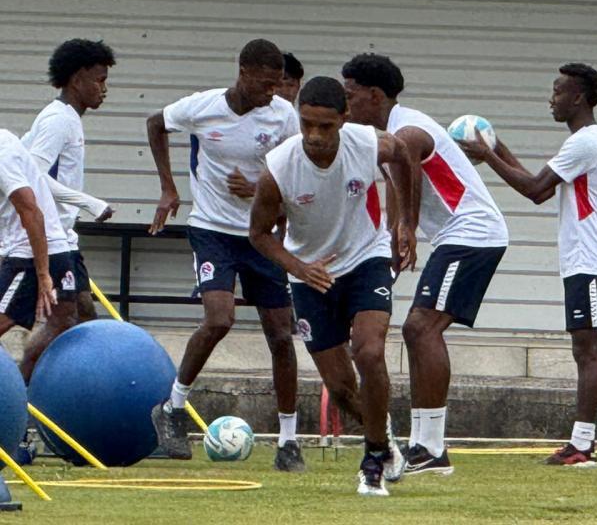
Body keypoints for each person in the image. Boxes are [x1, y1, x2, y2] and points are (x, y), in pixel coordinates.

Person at [342, 53, 508, 475]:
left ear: (374, 95)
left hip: (474, 233)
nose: (346, 104)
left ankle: (432, 449)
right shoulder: (385, 136)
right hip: (457, 237)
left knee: (421, 328)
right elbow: (395, 180)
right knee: (416, 330)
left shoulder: (409, 128)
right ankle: (423, 445)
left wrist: (409, 227)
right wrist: (390, 235)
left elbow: (409, 164)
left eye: (350, 94)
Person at [249, 76, 415, 495]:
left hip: (365, 259)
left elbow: (404, 156)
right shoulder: (279, 167)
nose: (315, 136)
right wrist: (299, 267)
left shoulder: (369, 143)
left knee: (369, 352)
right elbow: (259, 234)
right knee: (341, 389)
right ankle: (382, 434)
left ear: (344, 118)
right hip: (310, 275)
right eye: (307, 124)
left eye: (325, 126)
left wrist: (404, 223)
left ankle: (372, 462)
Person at [147, 39, 303, 470]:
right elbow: (155, 123)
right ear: (243, 72)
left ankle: (289, 440)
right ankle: (173, 408)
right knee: (220, 319)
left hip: (260, 235)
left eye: (278, 84)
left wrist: (260, 192)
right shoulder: (203, 107)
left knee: (280, 335)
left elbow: (295, 169)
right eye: (266, 83)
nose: (272, 92)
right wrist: (168, 187)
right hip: (212, 230)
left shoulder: (282, 116)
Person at [459, 63, 597, 467]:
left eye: (558, 91)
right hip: (584, 257)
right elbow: (543, 188)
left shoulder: (586, 142)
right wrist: (497, 147)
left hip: (592, 257)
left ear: (578, 97)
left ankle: (582, 446)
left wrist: (487, 155)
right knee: (584, 347)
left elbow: (534, 190)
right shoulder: (581, 142)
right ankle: (581, 443)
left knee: (588, 349)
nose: (552, 99)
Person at [21, 39, 116, 324]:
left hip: (63, 236)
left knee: (82, 313)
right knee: (65, 318)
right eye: (100, 80)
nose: (105, 89)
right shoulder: (58, 120)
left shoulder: (67, 118)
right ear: (76, 80)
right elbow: (33, 176)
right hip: (48, 238)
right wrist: (90, 203)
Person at [0, 130, 75, 382]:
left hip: (30, 256)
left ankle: (18, 392)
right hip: (51, 250)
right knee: (65, 320)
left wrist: (43, 274)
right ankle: (23, 391)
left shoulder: (1, 153)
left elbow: (31, 211)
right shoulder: (6, 139)